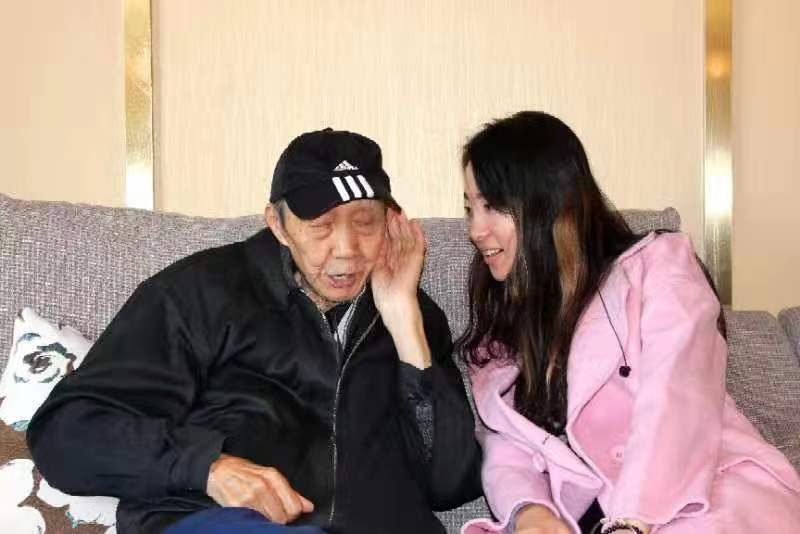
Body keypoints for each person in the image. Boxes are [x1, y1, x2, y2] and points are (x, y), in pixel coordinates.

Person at [27, 128, 482, 534]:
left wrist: (404, 321)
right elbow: (66, 434)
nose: (346, 249)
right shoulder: (199, 293)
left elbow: (450, 484)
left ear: (391, 221)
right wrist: (206, 466)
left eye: (365, 222)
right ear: (277, 224)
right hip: (218, 522)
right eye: (321, 225)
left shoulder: (414, 315)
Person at [457, 111, 800, 534]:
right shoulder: (500, 335)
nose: (476, 229)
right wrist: (530, 512)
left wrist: (632, 522)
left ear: (550, 201)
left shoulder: (659, 268)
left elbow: (676, 394)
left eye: (492, 206)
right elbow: (504, 445)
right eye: (470, 208)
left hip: (705, 498)